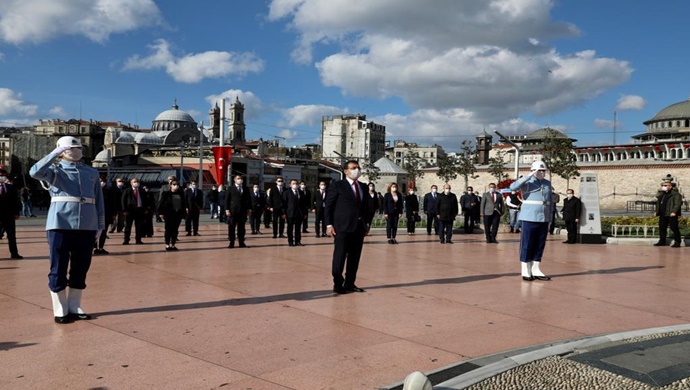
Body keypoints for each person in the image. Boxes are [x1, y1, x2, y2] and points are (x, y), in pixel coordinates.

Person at [30, 136, 104, 324]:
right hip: (60, 224)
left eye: (78, 147)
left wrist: (100, 225)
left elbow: (99, 199)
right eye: (71, 148)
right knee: (58, 267)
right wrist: (54, 154)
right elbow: (34, 172)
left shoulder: (91, 172)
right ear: (62, 150)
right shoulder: (54, 170)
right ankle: (60, 308)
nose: (76, 150)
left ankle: (74, 305)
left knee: (81, 266)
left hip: (87, 225)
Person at [325, 160, 374, 294]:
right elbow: (328, 206)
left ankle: (350, 283)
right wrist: (329, 225)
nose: (356, 170)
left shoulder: (363, 187)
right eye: (353, 168)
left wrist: (367, 224)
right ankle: (338, 283)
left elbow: (368, 208)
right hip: (342, 227)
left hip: (359, 227)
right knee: (339, 257)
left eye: (358, 168)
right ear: (346, 171)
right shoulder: (338, 186)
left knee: (354, 257)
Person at [509, 161, 553, 281]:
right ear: (533, 170)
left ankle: (536, 268)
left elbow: (549, 201)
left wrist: (550, 217)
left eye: (543, 171)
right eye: (539, 171)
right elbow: (513, 187)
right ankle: (525, 269)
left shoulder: (547, 183)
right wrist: (527, 176)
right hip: (529, 217)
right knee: (527, 244)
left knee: (539, 244)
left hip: (543, 217)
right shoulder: (527, 182)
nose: (542, 173)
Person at [157, 179, 187, 251]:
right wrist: (160, 213)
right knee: (168, 229)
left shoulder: (181, 193)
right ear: (170, 185)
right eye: (174, 184)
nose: (176, 186)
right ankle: (167, 244)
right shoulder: (166, 193)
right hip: (168, 214)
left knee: (175, 230)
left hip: (177, 214)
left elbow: (183, 204)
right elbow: (161, 203)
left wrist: (184, 214)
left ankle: (173, 244)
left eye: (177, 184)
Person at [0, 169, 23, 259]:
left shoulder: (11, 188)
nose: (1, 177)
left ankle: (14, 253)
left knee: (12, 236)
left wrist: (16, 213)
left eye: (3, 175)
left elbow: (15, 201)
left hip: (9, 216)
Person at [654, 179, 682, 247]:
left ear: (670, 186)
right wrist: (657, 211)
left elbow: (677, 204)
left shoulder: (675, 194)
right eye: (663, 185)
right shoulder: (662, 194)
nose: (664, 186)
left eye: (666, 185)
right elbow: (659, 203)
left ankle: (677, 242)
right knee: (662, 228)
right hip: (662, 214)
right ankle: (662, 241)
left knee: (674, 228)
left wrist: (674, 212)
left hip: (671, 214)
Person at [226, 175, 251, 248]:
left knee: (241, 227)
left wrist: (249, 209)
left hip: (243, 211)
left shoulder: (245, 188)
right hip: (233, 210)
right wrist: (227, 210)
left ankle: (241, 242)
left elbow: (249, 199)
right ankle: (231, 242)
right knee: (231, 227)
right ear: (234, 180)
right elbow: (227, 200)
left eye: (241, 179)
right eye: (238, 178)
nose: (240, 180)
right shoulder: (230, 188)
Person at [121, 177, 149, 245]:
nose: (136, 183)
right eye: (134, 182)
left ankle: (138, 240)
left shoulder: (142, 191)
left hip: (139, 210)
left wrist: (145, 209)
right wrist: (124, 210)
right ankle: (126, 240)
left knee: (139, 226)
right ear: (131, 183)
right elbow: (123, 200)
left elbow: (145, 200)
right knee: (128, 226)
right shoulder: (127, 190)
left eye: (137, 182)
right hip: (130, 211)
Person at [94, 175, 117, 255]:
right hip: (94, 214)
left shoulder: (109, 191)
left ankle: (101, 247)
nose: (101, 183)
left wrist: (114, 214)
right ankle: (94, 247)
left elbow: (113, 202)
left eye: (103, 181)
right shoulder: (93, 190)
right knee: (94, 232)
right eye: (100, 181)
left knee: (103, 232)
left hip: (106, 214)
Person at [283, 179, 308, 246]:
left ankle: (298, 241)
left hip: (299, 213)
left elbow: (304, 204)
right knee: (290, 228)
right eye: (293, 183)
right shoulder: (287, 192)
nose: (295, 185)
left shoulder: (301, 192)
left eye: (296, 183)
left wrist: (305, 213)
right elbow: (284, 204)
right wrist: (284, 213)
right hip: (290, 213)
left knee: (298, 228)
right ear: (290, 185)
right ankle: (290, 241)